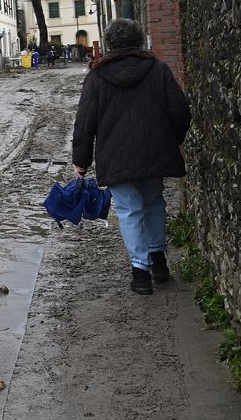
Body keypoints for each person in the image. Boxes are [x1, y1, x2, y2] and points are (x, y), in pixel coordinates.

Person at [71, 19, 190, 295]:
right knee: (153, 203)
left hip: (115, 156)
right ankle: (159, 263)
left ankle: (140, 274)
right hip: (154, 151)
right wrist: (172, 140)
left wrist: (81, 162)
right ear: (139, 40)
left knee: (129, 211)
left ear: (109, 43)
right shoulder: (157, 69)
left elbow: (84, 122)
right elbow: (181, 110)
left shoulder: (97, 77)